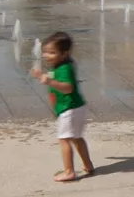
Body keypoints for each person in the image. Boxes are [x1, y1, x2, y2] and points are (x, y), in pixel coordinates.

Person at [31, 32, 94, 182]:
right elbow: (56, 77)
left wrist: (48, 82)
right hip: (75, 107)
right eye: (45, 52)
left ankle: (69, 171)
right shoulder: (61, 66)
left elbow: (68, 88)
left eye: (52, 52)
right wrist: (42, 76)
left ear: (64, 53)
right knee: (77, 138)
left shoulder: (64, 68)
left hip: (69, 109)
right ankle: (88, 165)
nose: (47, 55)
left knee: (64, 139)